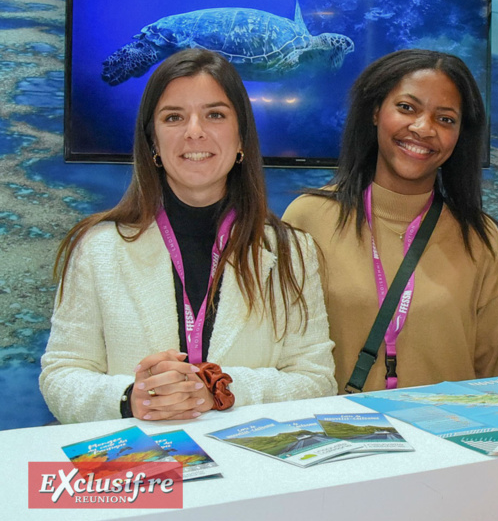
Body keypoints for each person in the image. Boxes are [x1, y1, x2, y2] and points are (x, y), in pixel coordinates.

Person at [40, 49, 336, 424]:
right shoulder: (97, 248)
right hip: (143, 471)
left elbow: (316, 380)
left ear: (242, 137)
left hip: (251, 472)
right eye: (173, 117)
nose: (194, 130)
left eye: (215, 114)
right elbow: (62, 374)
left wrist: (217, 389)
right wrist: (132, 398)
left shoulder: (292, 251)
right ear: (153, 143)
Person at [283, 49, 498, 393]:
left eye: (446, 119)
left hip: (447, 439)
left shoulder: (479, 238)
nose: (423, 129)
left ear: (460, 135)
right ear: (376, 111)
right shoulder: (307, 219)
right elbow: (281, 359)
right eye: (407, 108)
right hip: (341, 439)